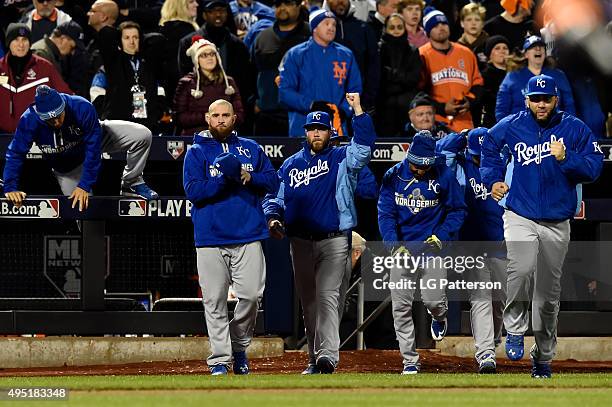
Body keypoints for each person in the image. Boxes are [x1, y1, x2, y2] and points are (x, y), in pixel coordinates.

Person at [480, 75, 603, 378]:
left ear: (555, 100)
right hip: (519, 213)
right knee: (519, 269)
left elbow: (594, 167)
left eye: (546, 99)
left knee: (548, 297)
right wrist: (492, 179)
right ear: (527, 100)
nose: (541, 104)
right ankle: (514, 329)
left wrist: (567, 158)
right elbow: (489, 147)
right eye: (535, 98)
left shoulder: (574, 128)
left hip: (557, 222)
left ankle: (543, 357)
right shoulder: (513, 124)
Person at [263, 93, 376, 374]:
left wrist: (358, 110)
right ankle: (315, 359)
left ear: (330, 132)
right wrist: (273, 218)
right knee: (309, 303)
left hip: (335, 240)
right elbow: (274, 197)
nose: (316, 133)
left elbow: (364, 146)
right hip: (300, 241)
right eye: (312, 129)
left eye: (321, 128)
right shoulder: (290, 165)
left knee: (327, 297)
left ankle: (327, 357)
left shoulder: (342, 157)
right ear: (305, 132)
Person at [183, 99, 278, 375]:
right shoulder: (196, 152)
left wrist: (248, 176)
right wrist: (225, 179)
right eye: (216, 116)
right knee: (213, 301)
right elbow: (194, 192)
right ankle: (220, 360)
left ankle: (238, 346)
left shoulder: (251, 148)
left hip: (248, 233)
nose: (221, 120)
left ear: (234, 118)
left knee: (250, 297)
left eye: (226, 115)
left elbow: (273, 181)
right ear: (207, 118)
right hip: (210, 237)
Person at [378, 130, 466, 374]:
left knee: (434, 300)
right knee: (401, 307)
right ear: (409, 156)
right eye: (416, 165)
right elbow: (386, 214)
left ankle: (439, 317)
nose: (419, 170)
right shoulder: (393, 176)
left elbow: (458, 210)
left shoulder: (444, 175)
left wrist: (442, 235)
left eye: (424, 165)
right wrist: (394, 246)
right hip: (403, 250)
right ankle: (409, 360)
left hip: (432, 249)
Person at [3, 85, 159, 212]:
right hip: (68, 166)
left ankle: (132, 181)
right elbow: (16, 153)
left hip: (94, 139)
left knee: (142, 135)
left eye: (59, 115)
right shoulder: (29, 120)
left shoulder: (81, 106)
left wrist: (85, 185)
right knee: (82, 211)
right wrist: (10, 187)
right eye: (51, 119)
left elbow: (94, 148)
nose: (57, 122)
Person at [436, 127, 508, 373]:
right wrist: (461, 135)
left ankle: (494, 338)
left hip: (501, 242)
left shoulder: (504, 162)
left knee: (502, 301)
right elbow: (440, 152)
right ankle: (486, 353)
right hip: (471, 244)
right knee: (480, 298)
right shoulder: (459, 165)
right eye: (475, 153)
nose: (479, 158)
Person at [278, 9, 362, 137]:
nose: (331, 28)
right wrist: (311, 105)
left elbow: (354, 89)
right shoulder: (295, 54)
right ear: (314, 28)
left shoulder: (346, 55)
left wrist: (344, 110)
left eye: (334, 24)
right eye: (326, 23)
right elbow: (285, 92)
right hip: (302, 127)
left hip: (336, 126)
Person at [419, 6, 483, 132]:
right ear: (428, 31)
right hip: (434, 122)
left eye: (444, 23)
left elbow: (478, 84)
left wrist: (469, 102)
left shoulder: (466, 53)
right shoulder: (422, 55)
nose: (441, 27)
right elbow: (418, 92)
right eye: (435, 25)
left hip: (464, 122)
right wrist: (442, 108)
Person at [251, 0, 310, 137]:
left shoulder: (311, 34)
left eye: (287, 3)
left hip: (301, 113)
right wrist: (256, 103)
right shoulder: (262, 37)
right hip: (267, 113)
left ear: (298, 6)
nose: (282, 8)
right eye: (278, 4)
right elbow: (251, 73)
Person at [0, 23, 72, 134]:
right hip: (3, 137)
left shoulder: (44, 67)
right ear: (8, 42)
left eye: (24, 40)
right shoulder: (0, 68)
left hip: (37, 137)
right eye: (16, 40)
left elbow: (67, 96)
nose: (21, 45)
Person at [97, 20, 166, 132]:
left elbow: (159, 39)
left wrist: (156, 113)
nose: (132, 42)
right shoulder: (113, 61)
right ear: (120, 40)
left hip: (145, 121)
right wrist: (118, 35)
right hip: (118, 122)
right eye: (127, 38)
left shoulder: (148, 61)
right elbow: (106, 33)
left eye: (135, 37)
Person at [495, 35, 575, 122]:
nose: (538, 49)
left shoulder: (558, 75)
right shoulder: (512, 77)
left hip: (553, 128)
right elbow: (501, 110)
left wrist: (567, 126)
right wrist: (507, 131)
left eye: (541, 47)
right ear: (526, 54)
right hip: (520, 130)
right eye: (533, 47)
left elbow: (569, 105)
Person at [174, 36, 244, 135]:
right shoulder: (187, 83)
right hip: (194, 138)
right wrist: (207, 117)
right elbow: (179, 117)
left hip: (225, 137)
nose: (210, 58)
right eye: (204, 55)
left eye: (212, 54)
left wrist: (222, 118)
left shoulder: (228, 82)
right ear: (196, 59)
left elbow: (240, 115)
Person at [326, 0, 380, 113]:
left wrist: (366, 101)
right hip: (325, 103)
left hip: (359, 103)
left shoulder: (364, 29)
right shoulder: (318, 30)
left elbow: (373, 67)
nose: (340, 1)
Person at [376, 13, 421, 137]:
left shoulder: (412, 50)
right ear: (386, 28)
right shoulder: (378, 50)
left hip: (406, 106)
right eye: (392, 27)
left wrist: (391, 73)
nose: (396, 30)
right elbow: (378, 78)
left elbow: (414, 79)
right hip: (383, 106)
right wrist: (401, 77)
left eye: (399, 27)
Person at [159, 0, 199, 103]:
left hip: (169, 88)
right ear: (179, 6)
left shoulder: (162, 29)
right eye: (191, 2)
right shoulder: (188, 32)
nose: (196, 4)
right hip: (187, 89)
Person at [31, 21, 84, 88]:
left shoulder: (54, 54)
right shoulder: (41, 54)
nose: (72, 52)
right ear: (63, 39)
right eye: (72, 47)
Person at [478, 35, 509, 127]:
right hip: (493, 122)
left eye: (505, 48)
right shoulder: (484, 75)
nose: (502, 51)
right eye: (497, 48)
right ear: (489, 54)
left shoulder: (515, 74)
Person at [457, 2, 488, 69]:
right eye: (469, 20)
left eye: (477, 20)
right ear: (462, 23)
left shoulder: (490, 45)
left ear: (482, 23)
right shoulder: (456, 48)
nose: (473, 23)